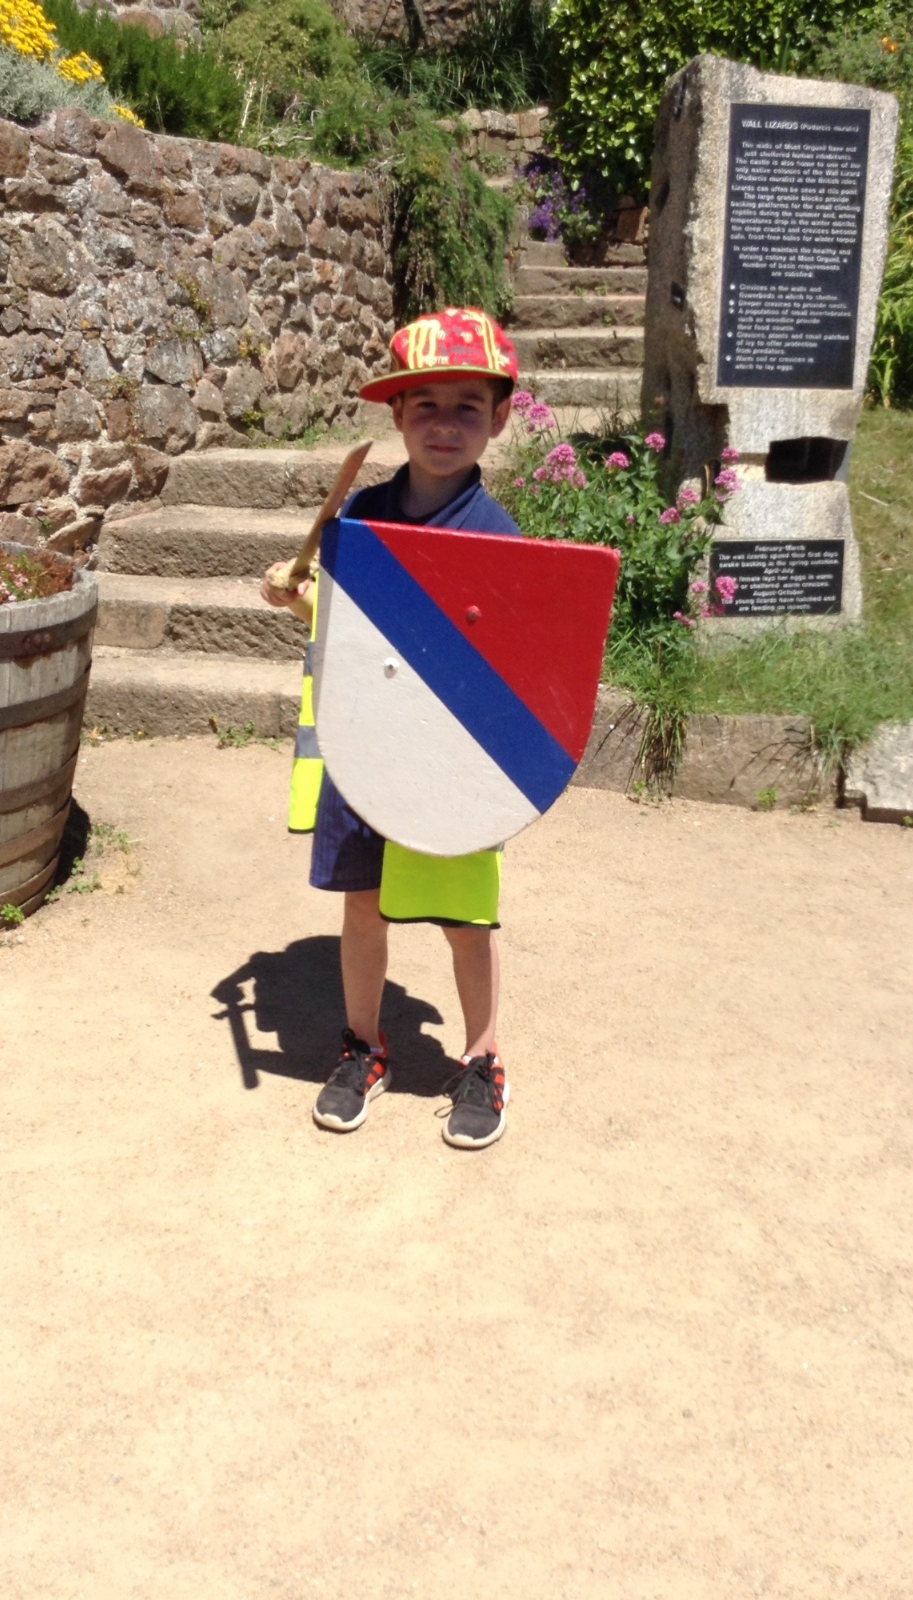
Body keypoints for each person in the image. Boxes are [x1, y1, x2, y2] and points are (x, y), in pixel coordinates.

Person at [261, 307, 520, 1150]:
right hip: (364, 746)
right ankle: (363, 1045)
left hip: (449, 760)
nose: (445, 424)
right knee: (364, 905)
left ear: (498, 419)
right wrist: (301, 597)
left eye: (466, 407)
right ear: (398, 414)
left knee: (463, 917)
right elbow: (355, 631)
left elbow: (501, 665)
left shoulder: (497, 537)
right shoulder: (362, 517)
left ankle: (481, 1057)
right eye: (426, 405)